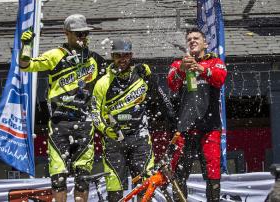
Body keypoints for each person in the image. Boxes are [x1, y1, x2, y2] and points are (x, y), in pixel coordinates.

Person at [19, 14, 107, 202]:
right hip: (60, 123)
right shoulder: (55, 55)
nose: (82, 37)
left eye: (84, 33)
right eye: (78, 34)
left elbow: (114, 76)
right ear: (66, 33)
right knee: (58, 179)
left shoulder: (94, 59)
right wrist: (25, 46)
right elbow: (25, 66)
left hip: (85, 123)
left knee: (82, 178)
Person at [91, 38, 177, 201]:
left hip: (140, 139)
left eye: (125, 55)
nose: (122, 59)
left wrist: (172, 120)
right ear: (112, 56)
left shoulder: (142, 74)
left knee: (146, 188)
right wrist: (105, 130)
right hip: (114, 142)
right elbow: (95, 112)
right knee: (114, 192)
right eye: (118, 55)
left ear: (131, 55)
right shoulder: (102, 83)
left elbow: (161, 98)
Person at [167, 27, 227, 202]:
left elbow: (220, 77)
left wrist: (202, 69)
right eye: (189, 39)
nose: (192, 41)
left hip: (210, 127)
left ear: (205, 43)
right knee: (178, 172)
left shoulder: (214, 61)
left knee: (213, 172)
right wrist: (182, 71)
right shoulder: (178, 64)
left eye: (196, 38)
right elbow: (171, 85)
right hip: (184, 128)